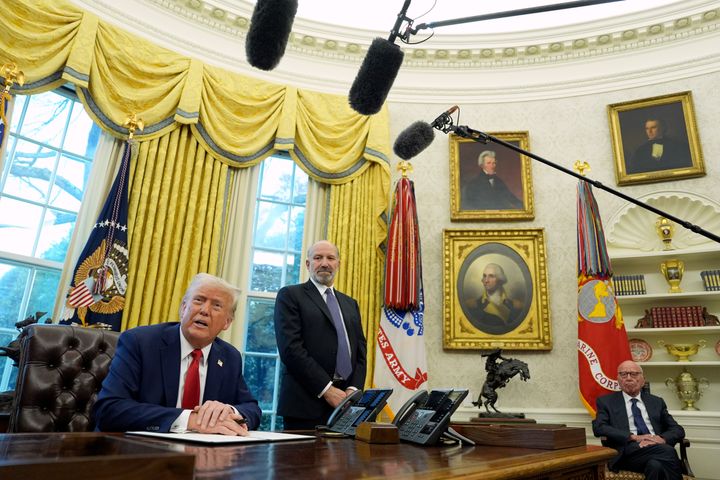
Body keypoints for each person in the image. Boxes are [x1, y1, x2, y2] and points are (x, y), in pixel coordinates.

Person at [94, 273, 261, 435]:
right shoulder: (140, 342)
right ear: (183, 309)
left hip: (204, 456)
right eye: (199, 300)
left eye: (216, 305)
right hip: (139, 452)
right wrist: (190, 420)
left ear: (227, 322)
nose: (204, 310)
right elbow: (109, 409)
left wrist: (228, 412)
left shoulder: (229, 356)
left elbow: (252, 409)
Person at [273, 240, 367, 430]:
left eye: (330, 258)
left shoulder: (351, 304)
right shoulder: (290, 295)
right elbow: (291, 350)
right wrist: (327, 390)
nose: (324, 263)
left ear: (338, 263)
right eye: (318, 258)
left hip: (346, 407)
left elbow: (361, 352)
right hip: (304, 406)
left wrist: (352, 390)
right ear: (308, 264)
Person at [592, 360, 685, 480]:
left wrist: (661, 439)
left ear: (643, 379)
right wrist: (633, 437)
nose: (628, 378)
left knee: (655, 466)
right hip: (627, 453)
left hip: (656, 449)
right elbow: (599, 427)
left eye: (634, 374)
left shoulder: (656, 402)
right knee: (667, 451)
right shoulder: (606, 402)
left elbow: (677, 429)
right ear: (618, 379)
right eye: (623, 374)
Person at [467, 263, 523, 335]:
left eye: (491, 276)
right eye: (484, 276)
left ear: (500, 279)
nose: (486, 280)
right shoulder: (472, 305)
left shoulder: (516, 306)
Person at [627, 118, 692, 174]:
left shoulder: (677, 145)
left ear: (662, 128)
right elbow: (635, 169)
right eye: (647, 128)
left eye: (653, 127)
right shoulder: (640, 150)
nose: (649, 131)